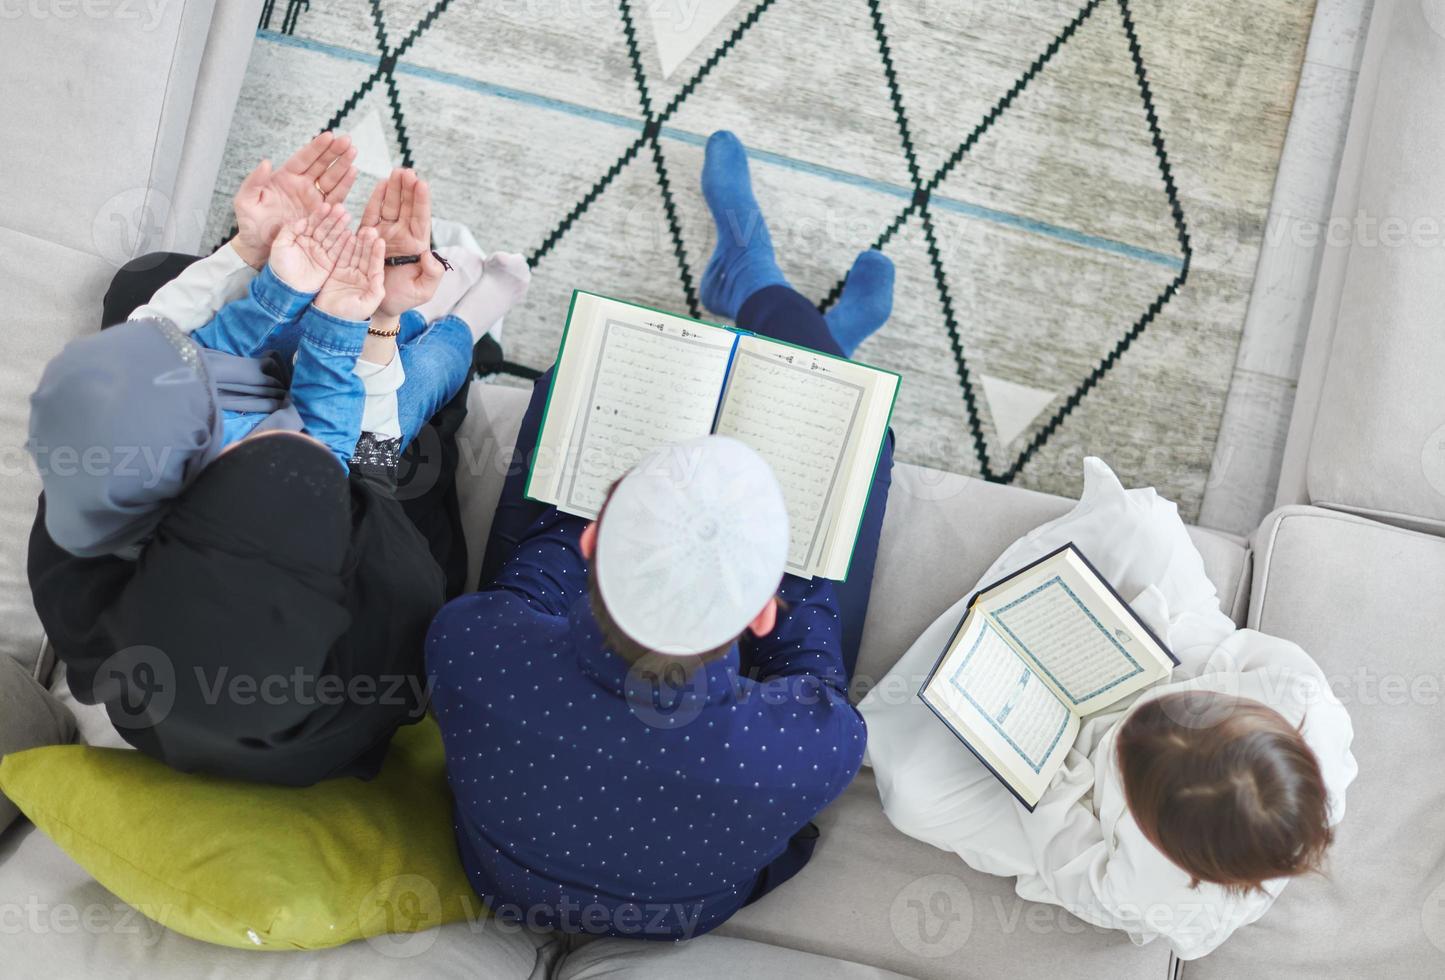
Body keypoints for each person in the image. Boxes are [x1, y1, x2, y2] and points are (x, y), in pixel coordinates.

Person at [426, 130, 898, 939]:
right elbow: (810, 669)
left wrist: (605, 514)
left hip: (501, 878)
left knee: (569, 387)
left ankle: (774, 306)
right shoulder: (814, 750)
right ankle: (782, 319)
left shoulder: (470, 650)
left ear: (590, 545)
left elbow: (523, 590)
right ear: (760, 616)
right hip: (678, 911)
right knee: (866, 449)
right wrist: (793, 575)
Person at [26, 134, 527, 785]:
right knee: (422, 426)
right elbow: (369, 462)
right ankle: (461, 327)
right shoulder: (396, 608)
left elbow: (149, 371)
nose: (282, 417)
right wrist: (373, 319)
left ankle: (380, 307)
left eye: (250, 446)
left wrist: (250, 254)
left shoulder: (79, 551)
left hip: (223, 453)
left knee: (143, 283)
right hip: (376, 508)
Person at [859, 458, 1358, 960]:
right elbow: (1227, 647)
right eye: (1195, 709)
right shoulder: (1304, 700)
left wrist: (1048, 771)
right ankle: (1026, 623)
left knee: (912, 791)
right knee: (1145, 524)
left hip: (1073, 795)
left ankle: (976, 670)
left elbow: (1072, 864)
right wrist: (1136, 645)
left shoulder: (1162, 897)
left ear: (1155, 831)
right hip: (1168, 663)